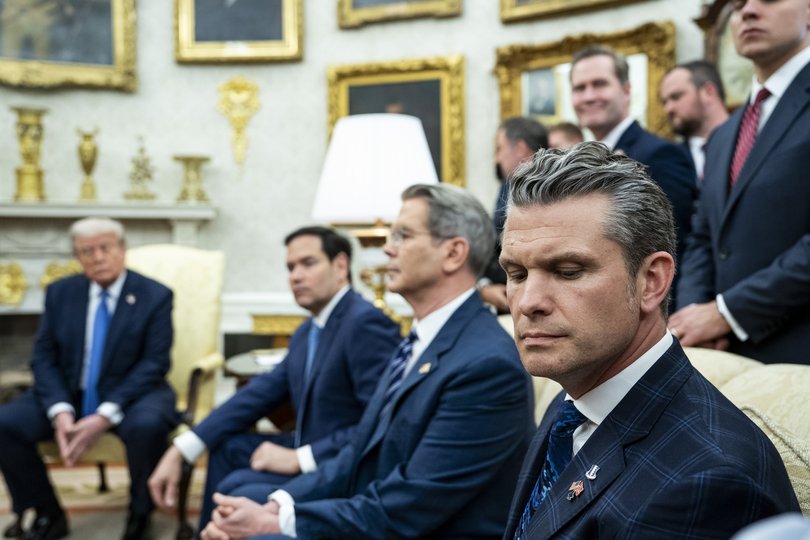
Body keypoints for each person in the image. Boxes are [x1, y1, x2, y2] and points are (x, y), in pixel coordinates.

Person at [200, 184, 534, 539]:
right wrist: (279, 504)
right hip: (376, 508)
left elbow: (410, 504)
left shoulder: (487, 366)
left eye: (403, 235)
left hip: (416, 527)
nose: (388, 248)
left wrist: (276, 522)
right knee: (240, 504)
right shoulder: (421, 340)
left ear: (453, 253)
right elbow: (357, 454)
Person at [500, 142, 798, 539]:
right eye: (517, 274)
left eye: (568, 271)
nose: (529, 302)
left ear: (651, 281)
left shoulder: (707, 482)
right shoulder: (574, 400)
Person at [148, 226, 400, 533]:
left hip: (342, 467)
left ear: (341, 266)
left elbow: (381, 424)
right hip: (310, 444)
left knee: (236, 487)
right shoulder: (308, 330)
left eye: (308, 263)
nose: (295, 276)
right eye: (290, 267)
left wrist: (299, 459)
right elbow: (256, 395)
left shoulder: (365, 323)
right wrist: (183, 448)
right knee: (227, 447)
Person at [0, 217, 178, 540]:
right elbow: (43, 356)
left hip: (134, 395)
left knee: (148, 426)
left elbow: (154, 362)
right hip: (70, 393)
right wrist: (60, 409)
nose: (97, 258)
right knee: (5, 422)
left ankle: (140, 513)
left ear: (122, 251)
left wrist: (105, 414)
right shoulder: (60, 293)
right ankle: (47, 513)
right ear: (77, 258)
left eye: (105, 248)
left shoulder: (155, 295)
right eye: (87, 251)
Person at [670, 0, 810, 365]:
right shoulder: (724, 135)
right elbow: (704, 237)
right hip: (721, 356)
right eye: (738, 3)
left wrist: (727, 313)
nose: (747, 11)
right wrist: (695, 315)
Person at [570, 44, 697, 303]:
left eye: (600, 84)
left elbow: (676, 243)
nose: (589, 96)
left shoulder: (660, 154)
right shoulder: (578, 158)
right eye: (579, 88)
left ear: (626, 90)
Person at [480, 116, 548, 313]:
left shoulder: (548, 192)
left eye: (499, 149)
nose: (497, 159)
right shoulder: (508, 185)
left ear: (519, 148)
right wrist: (483, 286)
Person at [660, 60, 730, 180]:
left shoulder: (750, 138)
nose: (668, 109)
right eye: (664, 102)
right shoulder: (668, 159)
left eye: (676, 97)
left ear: (709, 92)